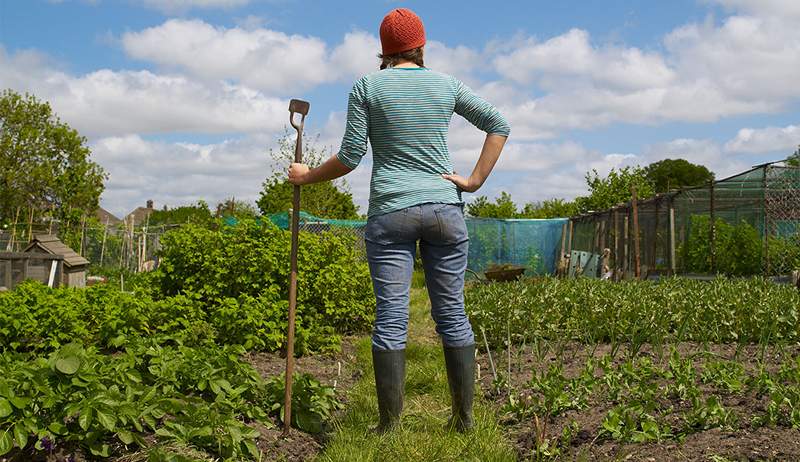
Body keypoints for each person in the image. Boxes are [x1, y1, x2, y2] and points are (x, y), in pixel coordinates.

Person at [288, 7, 509, 433]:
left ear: (384, 50)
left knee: (392, 317)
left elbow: (351, 157)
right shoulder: (447, 85)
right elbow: (498, 124)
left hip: (391, 212)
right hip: (445, 209)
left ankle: (389, 427)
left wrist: (307, 176)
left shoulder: (368, 86)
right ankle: (463, 421)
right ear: (422, 46)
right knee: (453, 315)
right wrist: (475, 180)